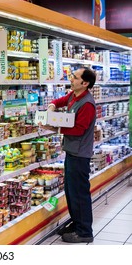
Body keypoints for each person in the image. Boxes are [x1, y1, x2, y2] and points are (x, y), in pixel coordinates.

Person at [46, 67, 97, 243]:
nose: (71, 79)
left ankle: (84, 232)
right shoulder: (74, 96)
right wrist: (52, 105)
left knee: (80, 193)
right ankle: (76, 223)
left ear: (85, 83)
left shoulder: (87, 104)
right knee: (71, 191)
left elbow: (79, 129)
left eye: (74, 77)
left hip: (80, 154)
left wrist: (55, 128)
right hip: (71, 151)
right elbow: (60, 100)